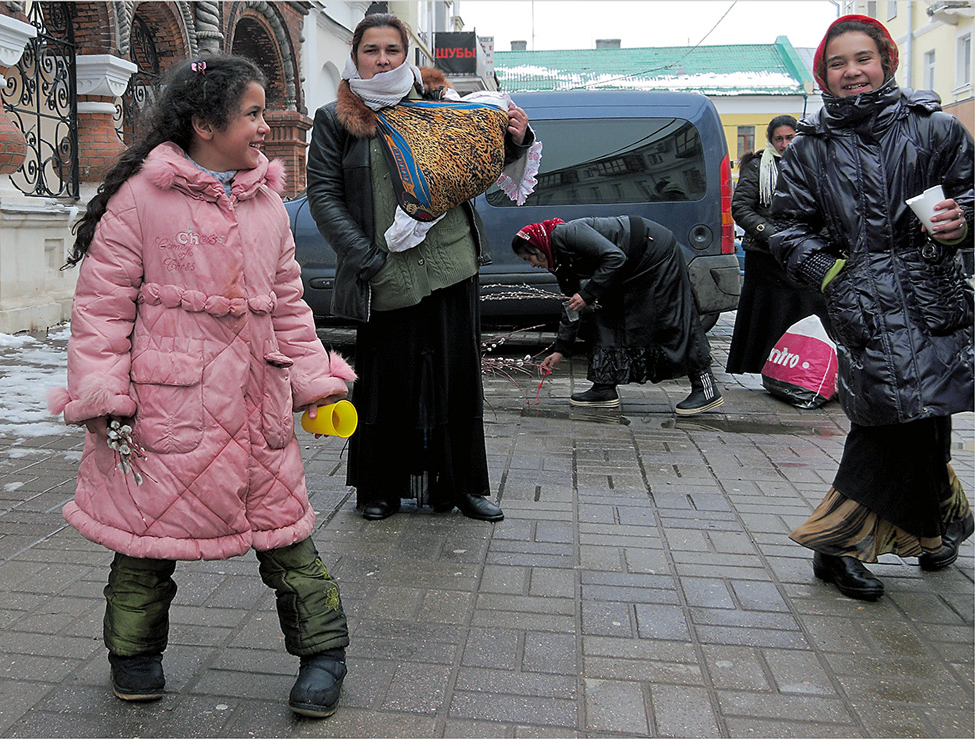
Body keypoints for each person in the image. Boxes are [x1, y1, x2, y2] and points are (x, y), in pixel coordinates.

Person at [49, 55, 353, 717]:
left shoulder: (268, 202)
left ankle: (323, 654)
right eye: (251, 113)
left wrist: (314, 380)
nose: (264, 127)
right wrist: (102, 392)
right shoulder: (143, 198)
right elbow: (101, 307)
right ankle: (133, 657)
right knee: (143, 546)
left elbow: (290, 305)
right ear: (204, 123)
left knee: (289, 540)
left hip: (255, 410)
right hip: (166, 413)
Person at [769, 16, 974, 600]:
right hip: (863, 306)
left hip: (932, 298)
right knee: (883, 427)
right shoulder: (809, 150)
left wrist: (963, 222)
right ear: (824, 77)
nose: (852, 71)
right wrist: (832, 272)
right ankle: (835, 548)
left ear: (886, 61)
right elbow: (786, 229)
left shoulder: (935, 129)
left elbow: (972, 192)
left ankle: (938, 527)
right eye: (837, 64)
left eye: (863, 58)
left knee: (930, 420)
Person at [306, 14, 536, 522]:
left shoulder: (439, 104)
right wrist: (365, 257)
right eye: (371, 50)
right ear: (355, 54)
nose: (382, 59)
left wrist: (515, 138)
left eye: (392, 49)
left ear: (406, 54)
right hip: (383, 269)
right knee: (389, 379)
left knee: (455, 376)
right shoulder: (334, 119)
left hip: (450, 261)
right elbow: (324, 196)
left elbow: (479, 163)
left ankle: (464, 487)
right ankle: (380, 488)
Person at [512, 216, 724, 415]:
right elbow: (572, 305)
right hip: (627, 264)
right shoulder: (556, 260)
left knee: (668, 318)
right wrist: (561, 349)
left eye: (528, 257)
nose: (531, 264)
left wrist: (588, 293)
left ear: (538, 247)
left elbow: (614, 256)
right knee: (607, 315)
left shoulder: (567, 233)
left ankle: (705, 388)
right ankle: (604, 387)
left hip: (654, 252)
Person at [726, 115, 827, 374]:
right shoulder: (757, 166)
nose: (784, 144)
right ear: (771, 140)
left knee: (807, 312)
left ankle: (804, 371)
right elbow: (741, 208)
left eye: (789, 137)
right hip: (766, 257)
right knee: (767, 318)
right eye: (778, 139)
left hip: (804, 254)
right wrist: (772, 236)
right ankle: (764, 369)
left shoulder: (815, 164)